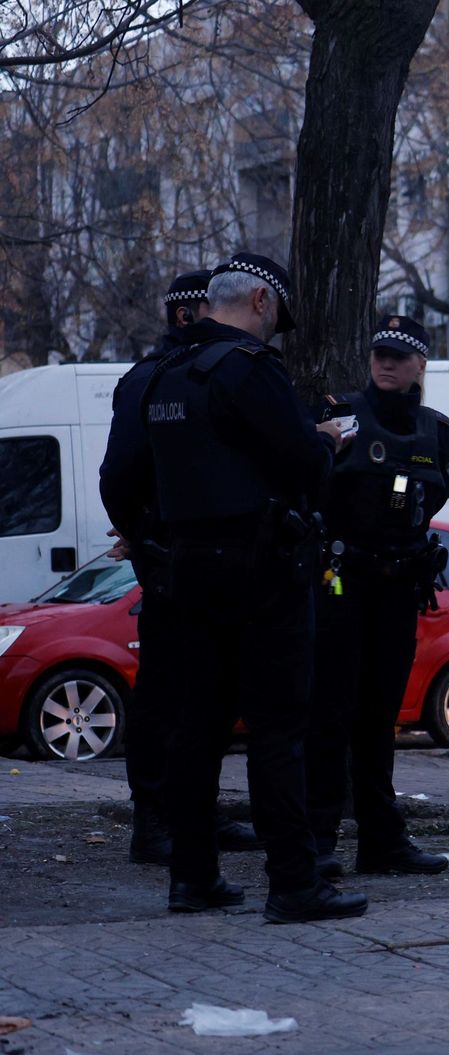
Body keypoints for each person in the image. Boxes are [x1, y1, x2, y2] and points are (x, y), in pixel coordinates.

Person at [123, 252, 367, 923]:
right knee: (277, 728)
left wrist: (155, 550)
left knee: (194, 728)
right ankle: (293, 882)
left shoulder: (161, 376)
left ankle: (192, 878)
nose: (275, 332)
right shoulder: (249, 370)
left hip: (186, 573)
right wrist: (326, 444)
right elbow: (299, 463)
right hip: (263, 573)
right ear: (260, 301)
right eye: (276, 317)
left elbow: (121, 478)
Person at [101, 271, 259, 865]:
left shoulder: (197, 373)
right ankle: (156, 822)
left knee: (204, 692)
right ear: (191, 316)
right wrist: (147, 538)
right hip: (178, 555)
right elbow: (119, 475)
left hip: (186, 552)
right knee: (170, 692)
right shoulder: (160, 379)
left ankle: (193, 814)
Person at [305, 315, 449, 879]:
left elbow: (438, 496)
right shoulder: (338, 414)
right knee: (330, 712)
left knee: (380, 716)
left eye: (398, 356)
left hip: (398, 587)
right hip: (343, 583)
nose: (386, 364)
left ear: (420, 365)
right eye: (379, 354)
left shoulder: (435, 429)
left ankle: (381, 840)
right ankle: (317, 839)